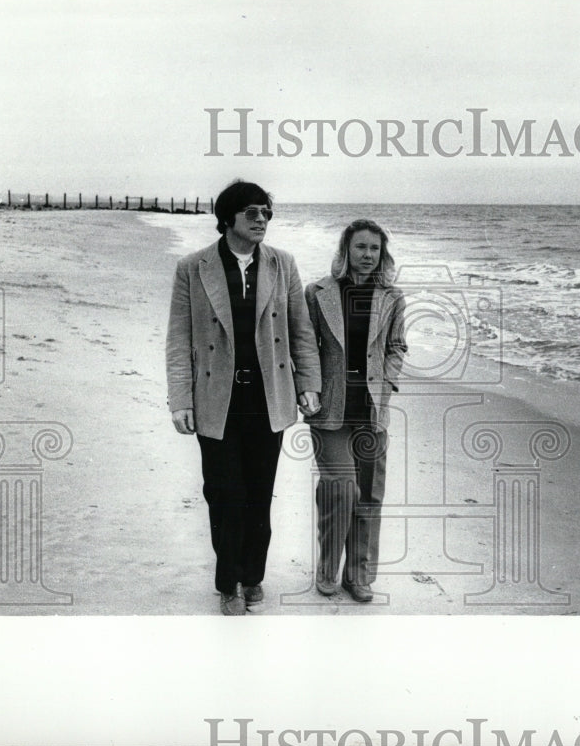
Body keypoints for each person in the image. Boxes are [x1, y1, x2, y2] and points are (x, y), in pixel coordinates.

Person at [166, 180, 321, 615]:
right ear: (228, 217)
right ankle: (227, 582)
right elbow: (179, 338)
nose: (261, 220)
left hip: (268, 396)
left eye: (266, 214)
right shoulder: (193, 267)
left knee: (258, 493)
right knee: (222, 493)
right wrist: (180, 399)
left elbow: (300, 330)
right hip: (217, 398)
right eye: (252, 212)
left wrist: (309, 385)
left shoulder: (282, 264)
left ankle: (252, 576)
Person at [304, 219, 407, 603]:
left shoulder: (393, 297)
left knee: (369, 494)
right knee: (340, 489)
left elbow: (397, 347)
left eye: (374, 249)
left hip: (372, 409)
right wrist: (307, 387)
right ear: (345, 250)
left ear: (383, 254)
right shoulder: (317, 293)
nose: (367, 255)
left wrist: (387, 383)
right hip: (330, 407)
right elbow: (305, 345)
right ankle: (328, 569)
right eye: (360, 247)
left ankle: (359, 575)